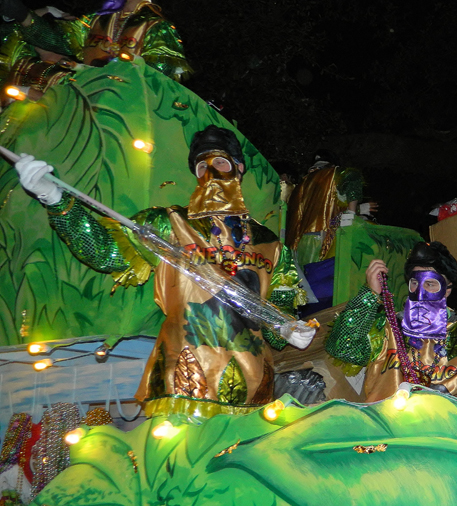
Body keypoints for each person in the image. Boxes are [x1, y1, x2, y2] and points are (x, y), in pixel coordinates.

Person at [14, 125, 312, 417]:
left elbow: (277, 317)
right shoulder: (168, 223)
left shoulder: (271, 244)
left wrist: (291, 330)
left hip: (254, 387)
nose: (210, 172)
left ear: (238, 167)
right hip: (185, 381)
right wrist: (54, 198)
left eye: (220, 162)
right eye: (201, 166)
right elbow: (106, 252)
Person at [326, 241, 457, 402]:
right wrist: (370, 294)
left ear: (447, 291)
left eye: (430, 284)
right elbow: (343, 349)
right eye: (415, 283)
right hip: (384, 415)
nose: (420, 293)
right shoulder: (388, 329)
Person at [0, 0, 189, 102]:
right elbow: (60, 39)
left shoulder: (157, 26)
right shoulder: (98, 20)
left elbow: (161, 78)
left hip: (122, 110)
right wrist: (25, 17)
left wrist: (116, 73)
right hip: (83, 99)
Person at [285, 151, 376, 265]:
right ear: (333, 165)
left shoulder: (300, 185)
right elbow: (352, 176)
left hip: (296, 244)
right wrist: (352, 214)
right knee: (321, 273)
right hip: (321, 237)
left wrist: (358, 209)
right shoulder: (333, 174)